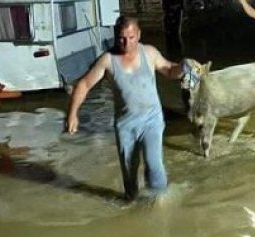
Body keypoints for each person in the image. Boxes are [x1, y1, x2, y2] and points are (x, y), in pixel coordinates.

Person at [65, 16, 183, 202]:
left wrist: (183, 67)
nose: (126, 42)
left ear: (139, 35)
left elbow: (169, 70)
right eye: (122, 38)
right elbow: (84, 85)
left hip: (152, 120)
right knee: (130, 172)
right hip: (125, 125)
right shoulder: (107, 60)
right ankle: (132, 202)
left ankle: (161, 204)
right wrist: (72, 114)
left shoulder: (150, 53)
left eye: (131, 37)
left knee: (154, 165)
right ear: (115, 36)